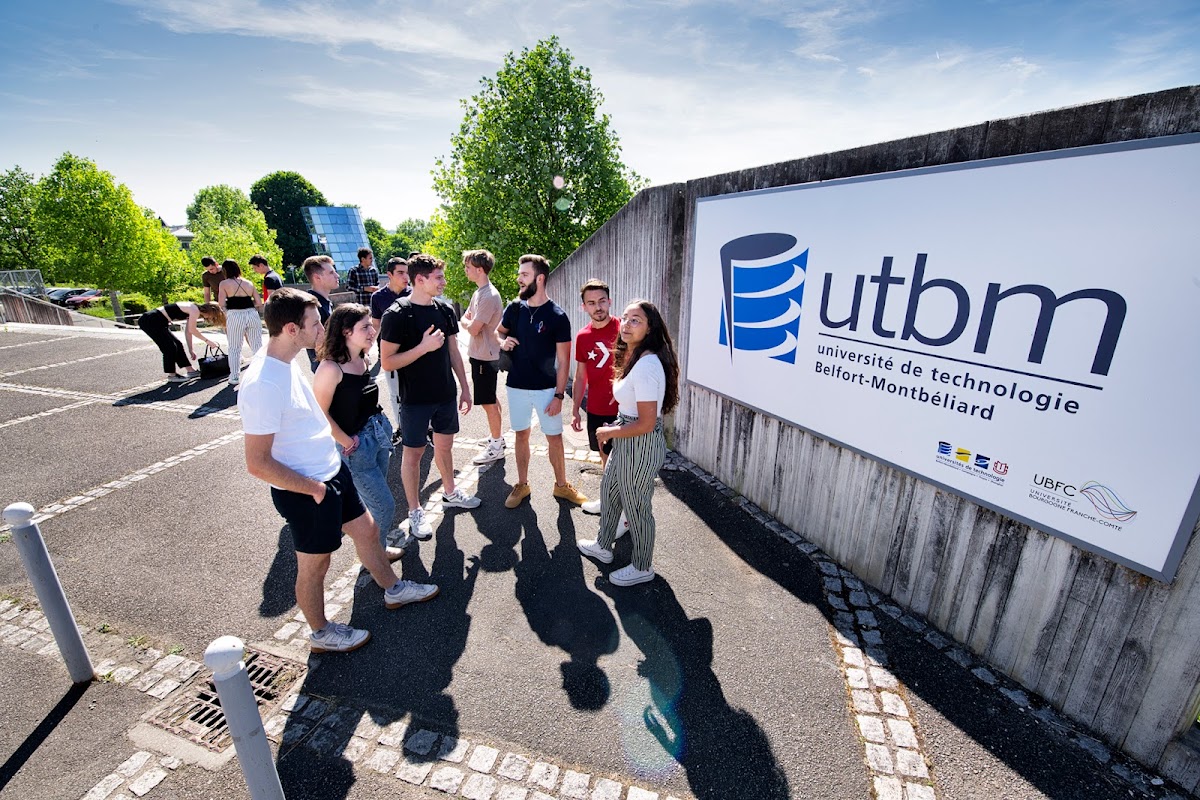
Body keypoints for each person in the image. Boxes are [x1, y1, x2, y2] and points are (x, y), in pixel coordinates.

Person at [238, 288, 438, 654]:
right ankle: (321, 633)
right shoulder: (263, 381)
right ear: (290, 328)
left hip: (331, 472)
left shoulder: (288, 363)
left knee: (369, 530)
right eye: (314, 322)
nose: (322, 327)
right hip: (307, 487)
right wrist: (314, 489)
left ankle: (393, 590)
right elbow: (258, 462)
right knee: (316, 565)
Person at [577, 300, 680, 586]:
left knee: (637, 509)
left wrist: (609, 432)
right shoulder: (637, 356)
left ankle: (642, 566)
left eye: (635, 320)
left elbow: (646, 423)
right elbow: (634, 407)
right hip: (629, 438)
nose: (626, 324)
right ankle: (603, 545)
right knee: (609, 492)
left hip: (641, 444)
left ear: (650, 328)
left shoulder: (647, 364)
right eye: (625, 318)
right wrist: (617, 420)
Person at [379, 254, 480, 540]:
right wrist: (422, 347)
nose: (444, 282)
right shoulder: (397, 314)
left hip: (445, 395)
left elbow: (453, 352)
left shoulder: (445, 310)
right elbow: (387, 362)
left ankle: (450, 492)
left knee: (445, 448)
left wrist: (465, 386)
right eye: (439, 278)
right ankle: (414, 511)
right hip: (414, 399)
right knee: (414, 455)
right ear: (419, 280)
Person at [312, 304, 406, 558]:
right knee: (384, 506)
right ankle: (374, 558)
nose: (371, 331)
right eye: (364, 327)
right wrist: (345, 441)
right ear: (345, 332)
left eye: (370, 325)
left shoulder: (362, 359)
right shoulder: (330, 368)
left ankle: (378, 550)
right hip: (354, 448)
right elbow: (319, 412)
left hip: (375, 438)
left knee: (376, 503)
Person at [495, 254, 588, 509]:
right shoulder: (514, 308)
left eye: (524, 275)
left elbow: (564, 360)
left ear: (540, 278)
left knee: (554, 438)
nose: (519, 279)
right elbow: (497, 332)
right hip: (515, 387)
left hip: (547, 389)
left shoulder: (558, 316)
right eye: (519, 274)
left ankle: (561, 486)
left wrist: (559, 396)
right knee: (521, 435)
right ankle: (522, 484)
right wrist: (502, 342)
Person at [571, 279, 629, 535]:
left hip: (624, 408)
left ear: (610, 301)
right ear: (584, 307)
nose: (598, 307)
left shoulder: (625, 330)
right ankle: (609, 501)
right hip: (595, 409)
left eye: (602, 301)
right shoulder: (583, 337)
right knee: (605, 459)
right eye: (592, 303)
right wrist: (575, 408)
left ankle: (626, 517)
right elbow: (581, 376)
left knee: (625, 464)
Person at [459, 249, 506, 465]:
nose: (465, 270)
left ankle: (496, 446)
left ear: (479, 269)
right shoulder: (479, 293)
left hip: (485, 357)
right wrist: (467, 322)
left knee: (488, 402)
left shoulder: (488, 295)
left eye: (468, 267)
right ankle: (498, 439)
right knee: (491, 400)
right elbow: (466, 319)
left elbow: (472, 326)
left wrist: (467, 323)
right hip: (481, 355)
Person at [371, 257, 411, 443]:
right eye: (400, 273)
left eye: (407, 272)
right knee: (395, 394)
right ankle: (402, 427)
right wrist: (363, 350)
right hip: (390, 355)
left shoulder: (414, 293)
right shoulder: (378, 297)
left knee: (418, 391)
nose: (406, 277)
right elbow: (375, 325)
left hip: (415, 353)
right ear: (389, 275)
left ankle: (426, 427)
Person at [137, 300, 224, 383]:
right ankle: (172, 375)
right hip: (151, 320)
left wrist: (191, 349)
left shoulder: (194, 310)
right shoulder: (195, 310)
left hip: (158, 321)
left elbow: (188, 332)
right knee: (169, 347)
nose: (211, 318)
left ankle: (190, 370)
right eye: (213, 315)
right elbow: (193, 330)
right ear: (210, 311)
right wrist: (207, 341)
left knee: (178, 344)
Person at [217, 259, 263, 386]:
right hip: (252, 314)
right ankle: (262, 372)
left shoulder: (224, 284)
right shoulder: (249, 283)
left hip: (235, 314)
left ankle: (235, 376)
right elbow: (259, 303)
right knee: (257, 346)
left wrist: (227, 312)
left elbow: (221, 304)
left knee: (234, 347)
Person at [302, 255, 339, 372]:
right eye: (331, 273)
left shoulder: (324, 302)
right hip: (326, 367)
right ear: (317, 277)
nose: (337, 275)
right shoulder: (312, 306)